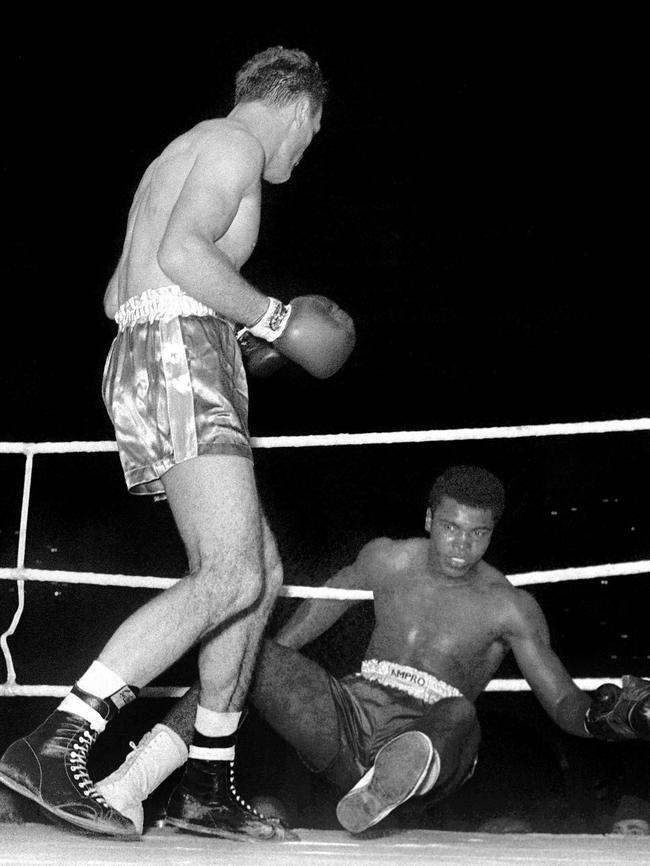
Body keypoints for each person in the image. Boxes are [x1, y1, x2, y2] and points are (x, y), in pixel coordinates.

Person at [0, 46, 355, 842]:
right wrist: (272, 321)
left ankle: (205, 779)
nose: (304, 152)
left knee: (257, 577)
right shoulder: (234, 146)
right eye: (312, 134)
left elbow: (118, 291)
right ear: (304, 110)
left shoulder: (181, 152)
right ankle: (53, 745)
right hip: (178, 355)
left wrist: (228, 335)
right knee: (229, 572)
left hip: (162, 351)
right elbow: (181, 256)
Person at [91, 464, 650, 835]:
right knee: (243, 651)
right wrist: (258, 669)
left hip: (435, 740)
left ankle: (392, 779)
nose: (461, 545)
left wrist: (610, 716)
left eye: (476, 533)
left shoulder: (510, 608)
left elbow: (561, 704)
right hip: (348, 721)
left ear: (492, 533)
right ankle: (134, 779)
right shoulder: (384, 560)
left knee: (459, 713)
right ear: (430, 519)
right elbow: (297, 632)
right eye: (451, 527)